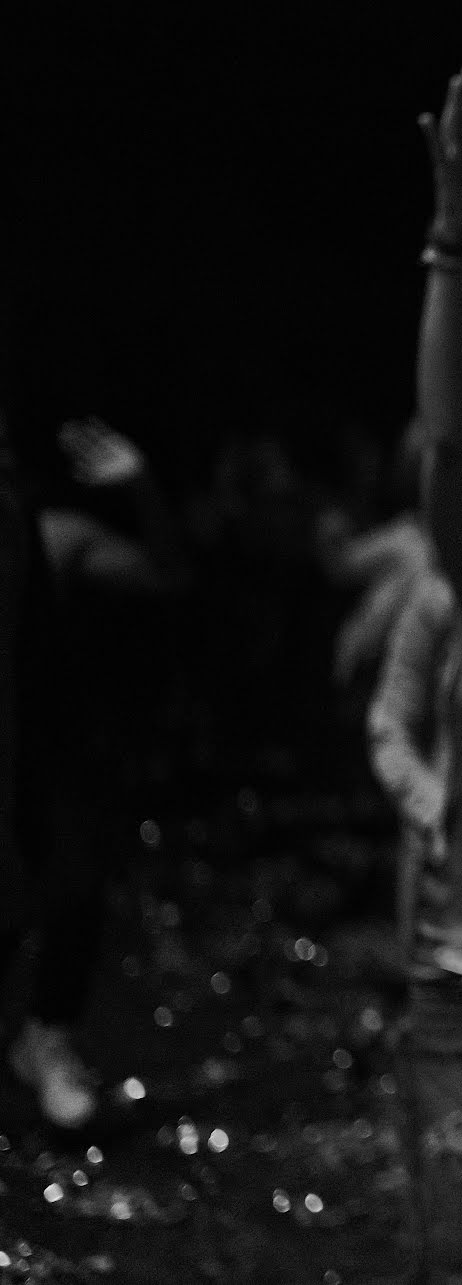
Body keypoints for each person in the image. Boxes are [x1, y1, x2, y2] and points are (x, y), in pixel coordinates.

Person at [6, 416, 190, 1130]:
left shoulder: (55, 535)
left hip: (49, 752)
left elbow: (169, 572)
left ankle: (46, 1038)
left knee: (74, 879)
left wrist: (141, 486)